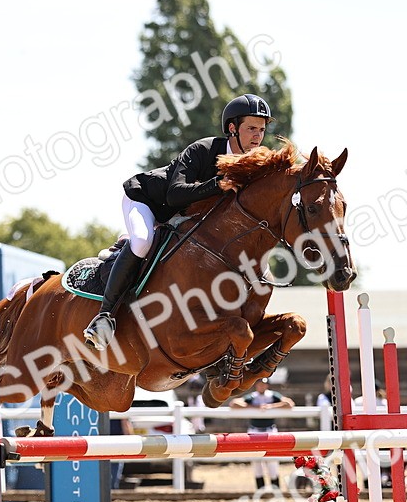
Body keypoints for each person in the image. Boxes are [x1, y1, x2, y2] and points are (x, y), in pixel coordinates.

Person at [83, 93, 274, 350]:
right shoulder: (203, 150)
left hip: (181, 218)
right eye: (251, 128)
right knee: (141, 242)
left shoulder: (253, 164)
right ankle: (104, 317)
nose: (257, 136)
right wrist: (218, 184)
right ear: (232, 128)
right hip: (147, 202)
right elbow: (175, 194)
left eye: (261, 130)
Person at [230, 377, 294, 490]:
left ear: (267, 385)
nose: (261, 386)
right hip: (255, 430)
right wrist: (255, 407)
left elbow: (289, 403)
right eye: (259, 384)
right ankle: (260, 489)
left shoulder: (272, 395)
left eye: (263, 384)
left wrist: (271, 406)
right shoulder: (253, 397)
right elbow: (234, 403)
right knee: (256, 461)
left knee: (273, 460)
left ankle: (275, 488)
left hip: (270, 430)